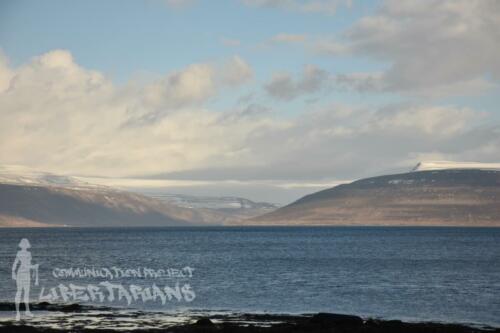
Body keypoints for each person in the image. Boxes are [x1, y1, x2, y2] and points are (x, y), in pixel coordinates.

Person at [12, 238, 38, 321]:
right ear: (22, 245)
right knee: (19, 292)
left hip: (27, 274)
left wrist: (34, 272)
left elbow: (28, 264)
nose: (24, 245)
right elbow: (18, 263)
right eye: (23, 244)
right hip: (21, 274)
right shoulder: (19, 253)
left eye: (25, 244)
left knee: (26, 293)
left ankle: (27, 311)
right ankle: (17, 313)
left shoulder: (29, 253)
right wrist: (13, 272)